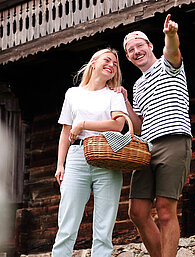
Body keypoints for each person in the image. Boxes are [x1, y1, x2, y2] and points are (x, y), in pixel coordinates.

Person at [116, 14, 192, 257]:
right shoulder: (137, 86)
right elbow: (137, 127)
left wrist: (170, 34)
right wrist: (125, 101)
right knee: (137, 211)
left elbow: (172, 51)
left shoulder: (167, 65)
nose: (137, 51)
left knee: (165, 210)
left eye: (140, 45)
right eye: (131, 49)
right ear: (128, 57)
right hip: (146, 147)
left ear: (150, 46)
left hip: (173, 140)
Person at [52, 48, 128, 257]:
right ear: (93, 62)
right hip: (76, 158)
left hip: (108, 158)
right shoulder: (73, 93)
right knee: (67, 223)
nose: (111, 65)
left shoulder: (114, 95)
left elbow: (119, 124)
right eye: (107, 60)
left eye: (115, 64)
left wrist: (84, 124)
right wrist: (60, 164)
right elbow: (66, 130)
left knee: (104, 229)